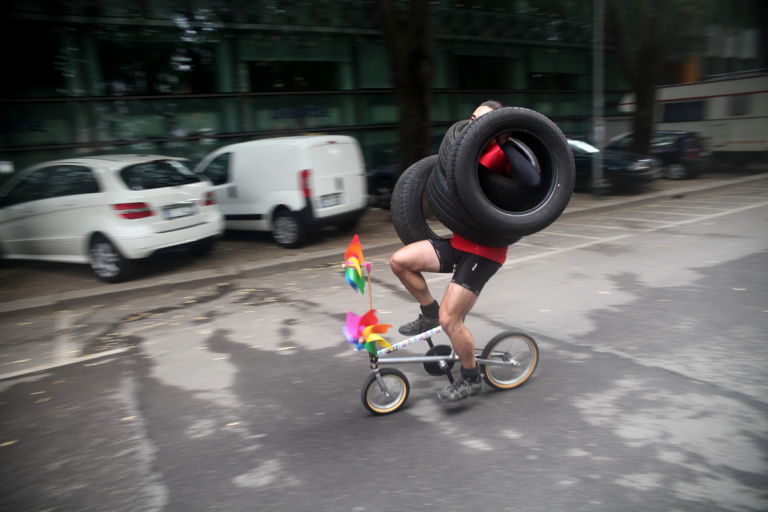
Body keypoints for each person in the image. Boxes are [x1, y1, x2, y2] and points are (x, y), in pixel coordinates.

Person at [389, 100, 540, 401]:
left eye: (483, 121)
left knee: (451, 319)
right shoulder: (464, 156)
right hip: (459, 243)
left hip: (485, 251)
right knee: (400, 261)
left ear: (497, 124)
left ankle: (471, 378)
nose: (474, 125)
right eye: (472, 118)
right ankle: (428, 313)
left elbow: (533, 180)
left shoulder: (502, 155)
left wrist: (503, 141)